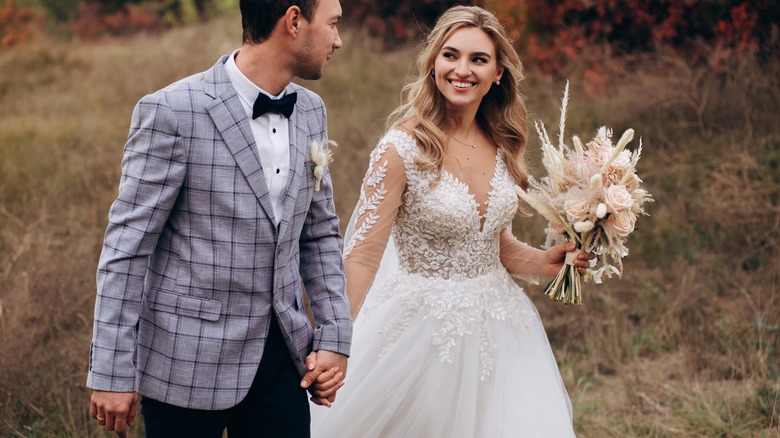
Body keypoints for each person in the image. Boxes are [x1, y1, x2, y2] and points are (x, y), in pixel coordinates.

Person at [310, 5, 592, 437]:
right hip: (421, 334)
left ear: (498, 72)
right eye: (451, 55)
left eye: (478, 59)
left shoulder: (502, 143)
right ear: (434, 63)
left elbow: (495, 246)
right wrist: (335, 341)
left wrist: (547, 261)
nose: (462, 70)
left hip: (501, 330)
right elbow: (363, 258)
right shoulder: (402, 149)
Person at [86, 0, 352, 437]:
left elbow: (319, 233)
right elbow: (127, 248)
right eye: (334, 24)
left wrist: (333, 336)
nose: (338, 40)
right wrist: (112, 370)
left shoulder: (311, 111)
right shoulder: (173, 111)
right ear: (293, 21)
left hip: (283, 363)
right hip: (184, 363)